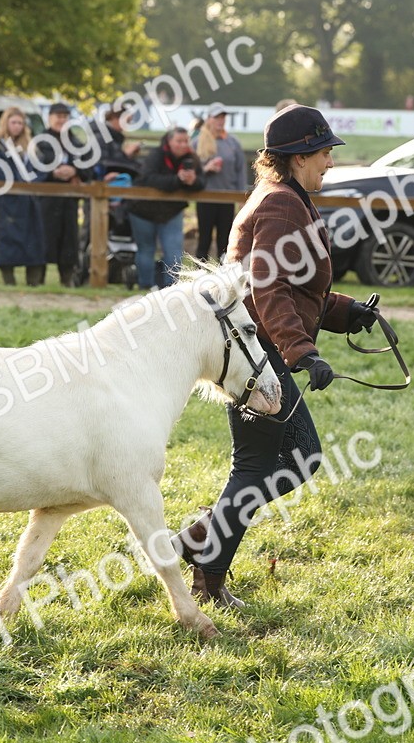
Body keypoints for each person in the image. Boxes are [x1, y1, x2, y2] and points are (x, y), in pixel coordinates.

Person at [170, 105, 385, 607]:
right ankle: (206, 553)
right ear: (298, 156)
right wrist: (302, 352)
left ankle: (206, 551)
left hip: (256, 347)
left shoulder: (285, 199)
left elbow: (293, 287)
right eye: (325, 153)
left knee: (266, 462)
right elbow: (265, 287)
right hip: (256, 355)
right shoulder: (283, 204)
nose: (330, 162)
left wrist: (345, 312)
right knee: (283, 460)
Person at [126, 127, 205, 290]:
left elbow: (202, 182)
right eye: (179, 141)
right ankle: (145, 287)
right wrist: (177, 180)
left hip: (171, 212)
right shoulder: (156, 155)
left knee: (174, 251)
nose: (183, 145)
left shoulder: (191, 158)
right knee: (146, 249)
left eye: (185, 141)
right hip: (143, 210)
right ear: (169, 141)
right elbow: (149, 178)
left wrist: (193, 181)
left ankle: (172, 289)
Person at [0, 107, 46, 286]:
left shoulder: (30, 146)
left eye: (20, 122)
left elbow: (39, 170)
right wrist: (16, 182)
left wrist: (31, 184)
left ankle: (33, 283)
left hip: (28, 203)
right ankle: (8, 283)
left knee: (33, 244)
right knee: (7, 244)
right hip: (6, 203)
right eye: (14, 122)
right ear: (6, 122)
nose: (17, 126)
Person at [33, 103, 92, 287]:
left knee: (69, 240)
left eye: (65, 117)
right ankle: (37, 280)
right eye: (58, 116)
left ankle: (67, 280)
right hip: (46, 200)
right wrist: (52, 173)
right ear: (50, 118)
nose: (61, 120)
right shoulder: (40, 142)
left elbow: (88, 166)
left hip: (69, 201)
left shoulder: (76, 143)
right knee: (43, 239)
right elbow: (33, 168)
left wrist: (74, 170)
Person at [195, 103, 248, 261]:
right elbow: (192, 170)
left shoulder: (233, 142)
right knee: (204, 239)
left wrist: (241, 197)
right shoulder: (197, 141)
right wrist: (206, 168)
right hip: (205, 196)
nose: (220, 120)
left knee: (225, 240)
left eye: (223, 117)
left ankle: (223, 277)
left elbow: (241, 171)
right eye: (217, 117)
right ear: (208, 119)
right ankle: (199, 276)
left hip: (227, 197)